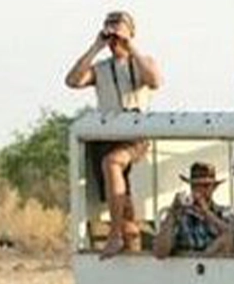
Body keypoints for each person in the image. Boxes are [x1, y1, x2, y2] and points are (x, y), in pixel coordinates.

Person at [64, 10, 162, 257]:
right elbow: (73, 81)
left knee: (112, 163)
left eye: (118, 28)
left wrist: (131, 47)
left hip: (135, 137)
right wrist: (96, 46)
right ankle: (126, 246)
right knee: (127, 208)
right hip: (106, 138)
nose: (114, 35)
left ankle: (115, 235)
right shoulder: (101, 69)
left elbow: (155, 81)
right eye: (109, 29)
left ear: (131, 31)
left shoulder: (143, 61)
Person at [153, 163, 234, 258]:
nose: (201, 190)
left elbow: (230, 237)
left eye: (206, 186)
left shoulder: (224, 212)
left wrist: (207, 214)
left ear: (213, 188)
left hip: (216, 269)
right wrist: (172, 213)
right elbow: (160, 253)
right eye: (197, 186)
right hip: (185, 268)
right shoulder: (180, 216)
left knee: (226, 239)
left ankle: (201, 262)